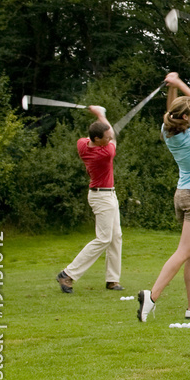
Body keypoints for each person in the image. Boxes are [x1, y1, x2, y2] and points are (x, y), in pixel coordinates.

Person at [137, 72, 190, 322]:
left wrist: (170, 87)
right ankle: (151, 296)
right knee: (185, 250)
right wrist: (180, 83)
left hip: (182, 195)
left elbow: (175, 110)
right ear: (185, 117)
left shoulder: (168, 130)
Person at [56, 106, 125, 294]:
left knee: (115, 237)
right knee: (103, 239)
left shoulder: (82, 144)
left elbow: (103, 134)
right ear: (97, 139)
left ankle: (112, 279)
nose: (109, 138)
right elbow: (113, 137)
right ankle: (67, 274)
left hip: (107, 194)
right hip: (102, 197)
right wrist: (101, 114)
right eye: (106, 137)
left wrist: (99, 117)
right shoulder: (105, 153)